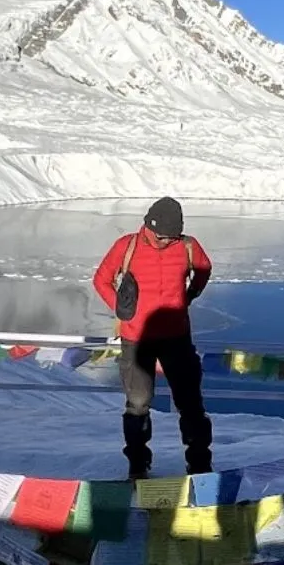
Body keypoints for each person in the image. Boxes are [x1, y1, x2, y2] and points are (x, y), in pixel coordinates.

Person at [91, 197, 214, 478]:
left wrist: (190, 294)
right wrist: (124, 311)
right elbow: (101, 279)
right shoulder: (127, 246)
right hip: (137, 340)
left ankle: (200, 464)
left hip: (177, 338)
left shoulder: (187, 246)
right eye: (160, 236)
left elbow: (204, 269)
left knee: (191, 404)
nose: (164, 241)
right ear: (149, 225)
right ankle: (138, 464)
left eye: (171, 237)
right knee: (137, 405)